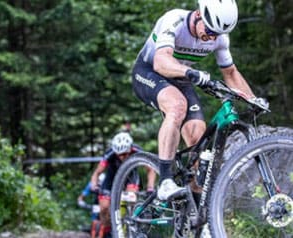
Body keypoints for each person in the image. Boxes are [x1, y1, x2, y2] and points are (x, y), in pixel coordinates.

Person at [131, 0, 268, 201]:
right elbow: (161, 61)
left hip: (183, 77)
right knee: (177, 106)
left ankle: (198, 219)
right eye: (210, 30)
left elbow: (230, 73)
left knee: (198, 142)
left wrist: (253, 99)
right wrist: (191, 72)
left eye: (217, 34)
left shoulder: (220, 38)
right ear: (198, 15)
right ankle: (166, 181)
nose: (211, 37)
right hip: (149, 72)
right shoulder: (174, 20)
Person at [90, 132, 155, 237]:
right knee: (104, 207)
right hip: (111, 178)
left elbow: (150, 169)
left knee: (131, 199)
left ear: (130, 149)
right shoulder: (109, 154)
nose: (122, 157)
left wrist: (150, 187)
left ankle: (129, 227)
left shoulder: (137, 150)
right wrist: (94, 185)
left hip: (130, 177)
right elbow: (97, 173)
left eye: (125, 154)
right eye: (119, 154)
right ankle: (107, 229)